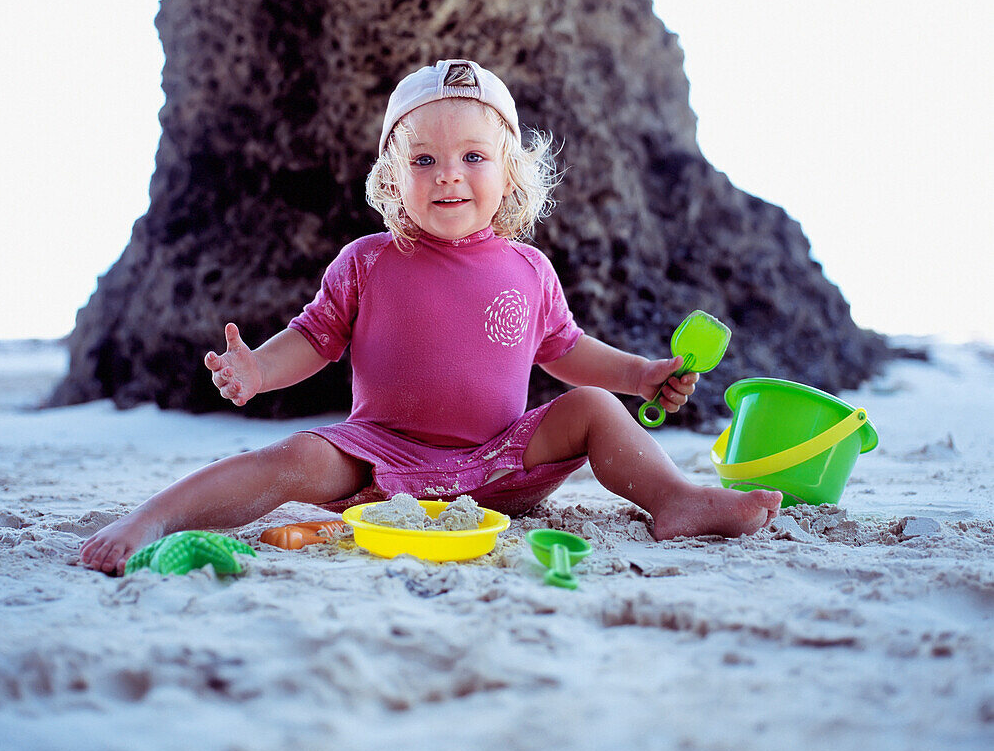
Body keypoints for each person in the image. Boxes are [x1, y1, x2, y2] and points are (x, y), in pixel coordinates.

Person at [81, 59, 781, 574]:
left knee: (593, 404)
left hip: (502, 462)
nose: (448, 173)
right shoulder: (366, 261)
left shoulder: (527, 269)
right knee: (290, 456)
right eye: (425, 159)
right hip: (380, 460)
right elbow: (313, 337)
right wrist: (259, 368)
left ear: (509, 176)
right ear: (392, 178)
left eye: (473, 157)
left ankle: (677, 500)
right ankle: (152, 519)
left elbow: (563, 348)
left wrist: (640, 374)